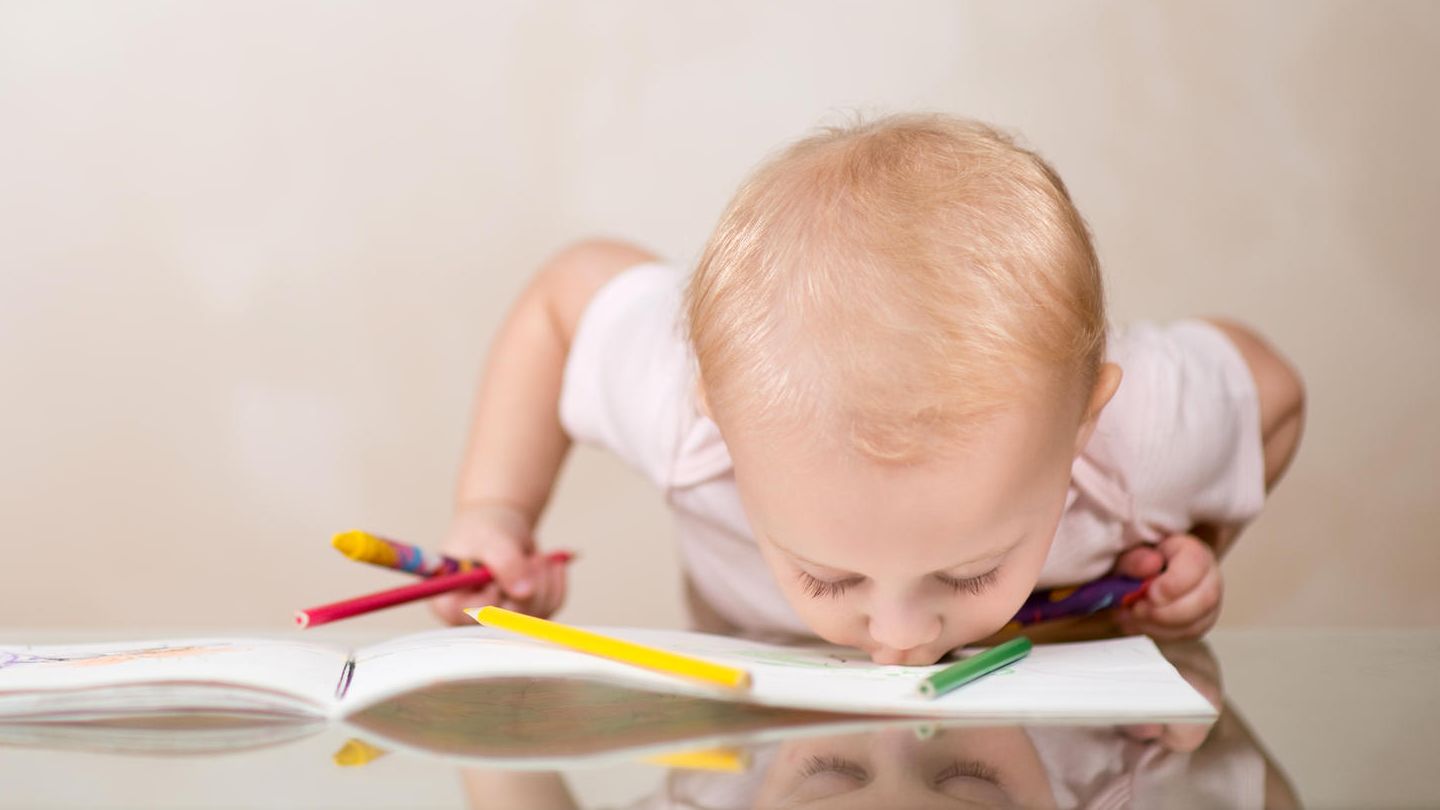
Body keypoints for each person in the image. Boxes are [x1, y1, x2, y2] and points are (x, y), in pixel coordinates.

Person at [429, 113, 1305, 666]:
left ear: (1082, 424)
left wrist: (1184, 550)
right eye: (827, 575)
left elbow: (1273, 391)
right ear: (718, 417)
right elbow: (566, 298)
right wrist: (497, 514)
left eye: (969, 575)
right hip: (767, 737)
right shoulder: (695, 407)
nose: (898, 638)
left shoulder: (1138, 435)